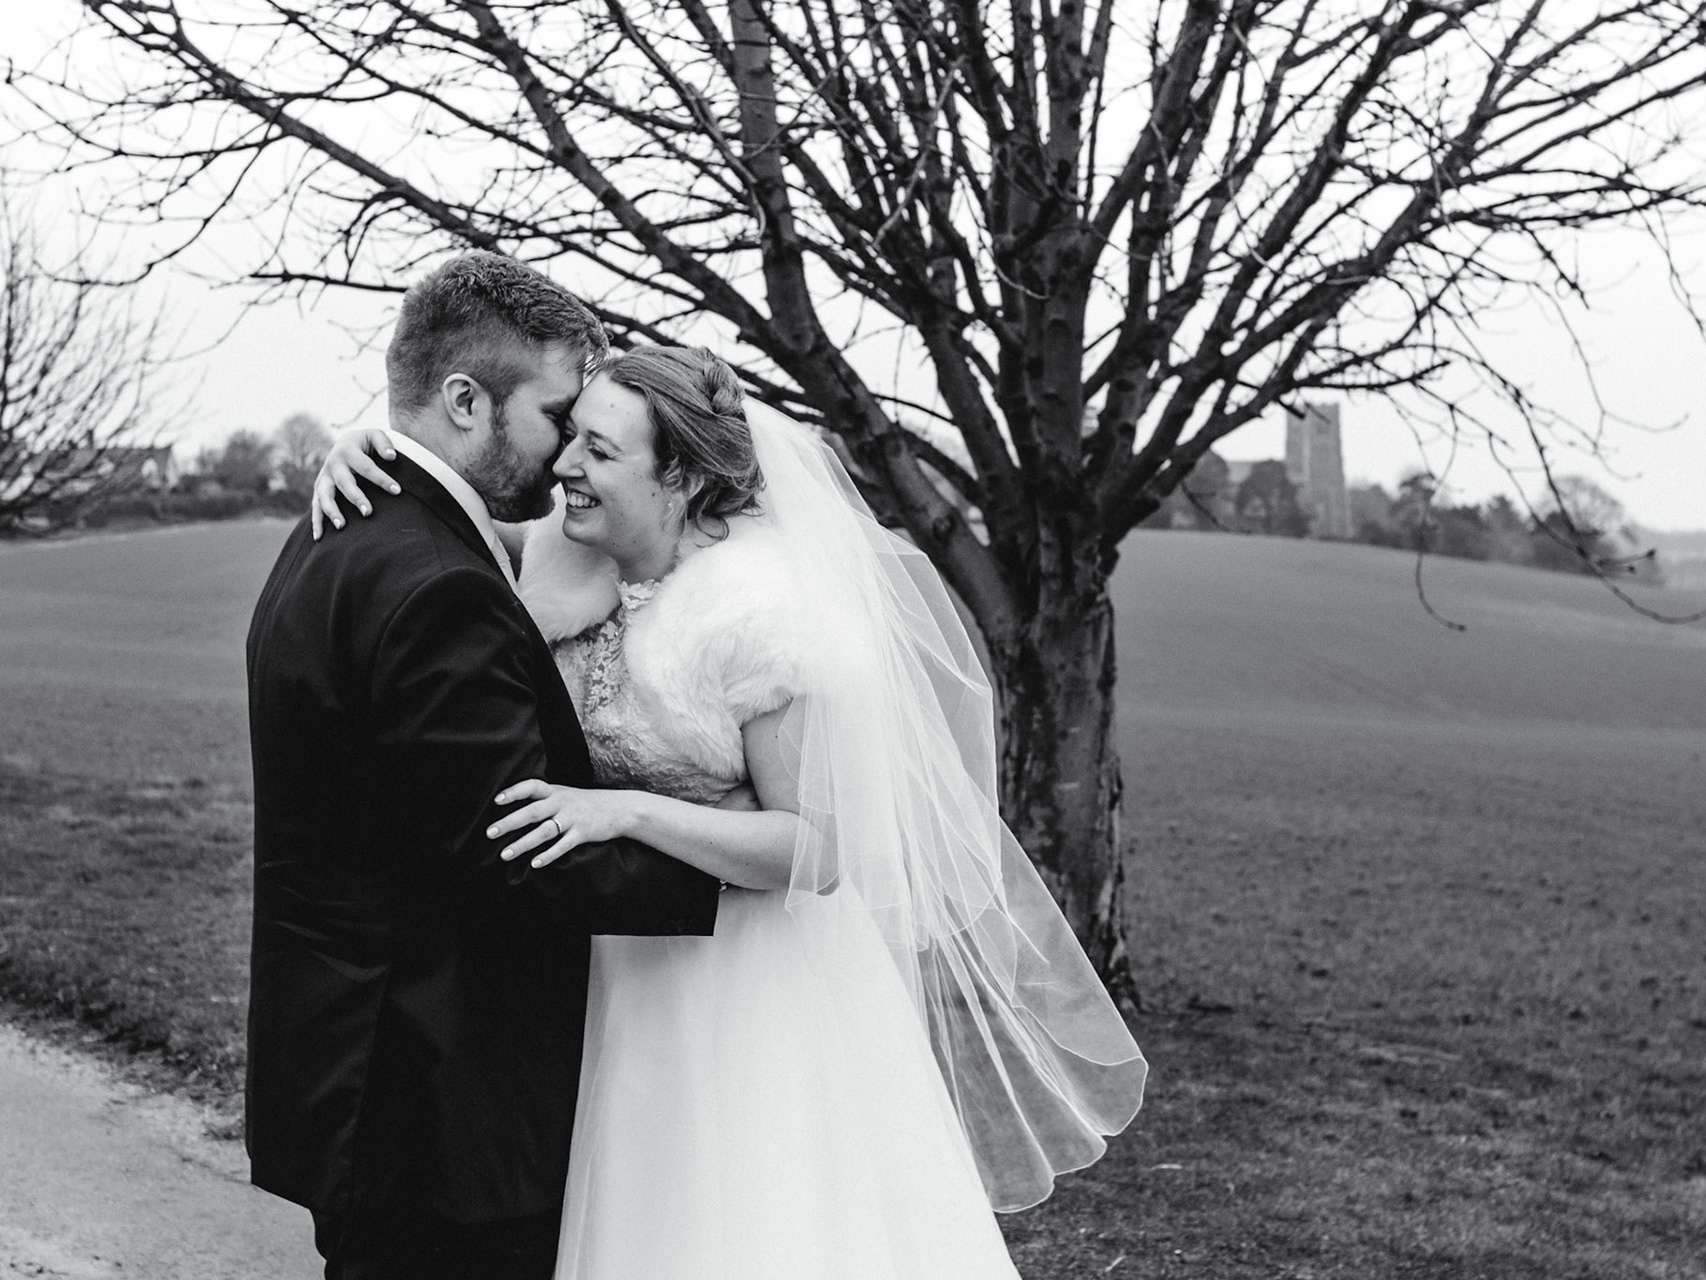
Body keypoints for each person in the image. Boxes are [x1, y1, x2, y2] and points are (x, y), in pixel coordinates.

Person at [314, 342, 1148, 1278]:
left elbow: (817, 848)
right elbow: (451, 526)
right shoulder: (566, 549)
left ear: (679, 478)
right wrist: (366, 452)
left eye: (599, 450)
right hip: (617, 974)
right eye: (572, 436)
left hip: (745, 986)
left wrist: (631, 814)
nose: (565, 465)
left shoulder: (757, 613)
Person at [246, 253, 723, 1280]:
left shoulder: (334, 533)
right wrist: (741, 869)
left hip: (360, 1078)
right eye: (556, 416)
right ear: (466, 401)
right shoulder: (439, 587)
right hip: (443, 1113)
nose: (566, 455)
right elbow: (517, 851)